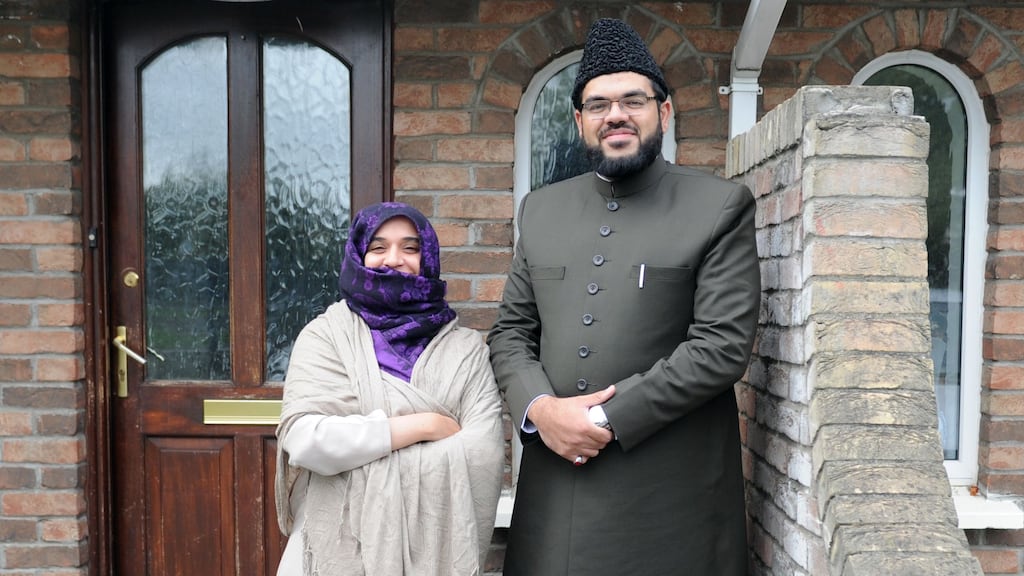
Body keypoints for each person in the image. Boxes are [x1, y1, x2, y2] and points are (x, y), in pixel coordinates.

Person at [487, 18, 760, 576]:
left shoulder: (720, 206)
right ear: (579, 121)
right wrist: (542, 411)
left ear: (662, 112)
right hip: (555, 491)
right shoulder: (541, 211)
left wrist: (603, 418)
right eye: (598, 105)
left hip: (672, 495)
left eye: (632, 100)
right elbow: (511, 334)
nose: (615, 115)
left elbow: (721, 348)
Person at [275, 202, 504, 576]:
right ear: (359, 256)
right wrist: (424, 427)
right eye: (378, 247)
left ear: (427, 257)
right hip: (335, 555)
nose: (393, 259)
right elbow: (305, 441)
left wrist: (358, 452)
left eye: (410, 248)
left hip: (438, 558)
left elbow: (483, 454)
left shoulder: (466, 350)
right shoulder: (325, 338)